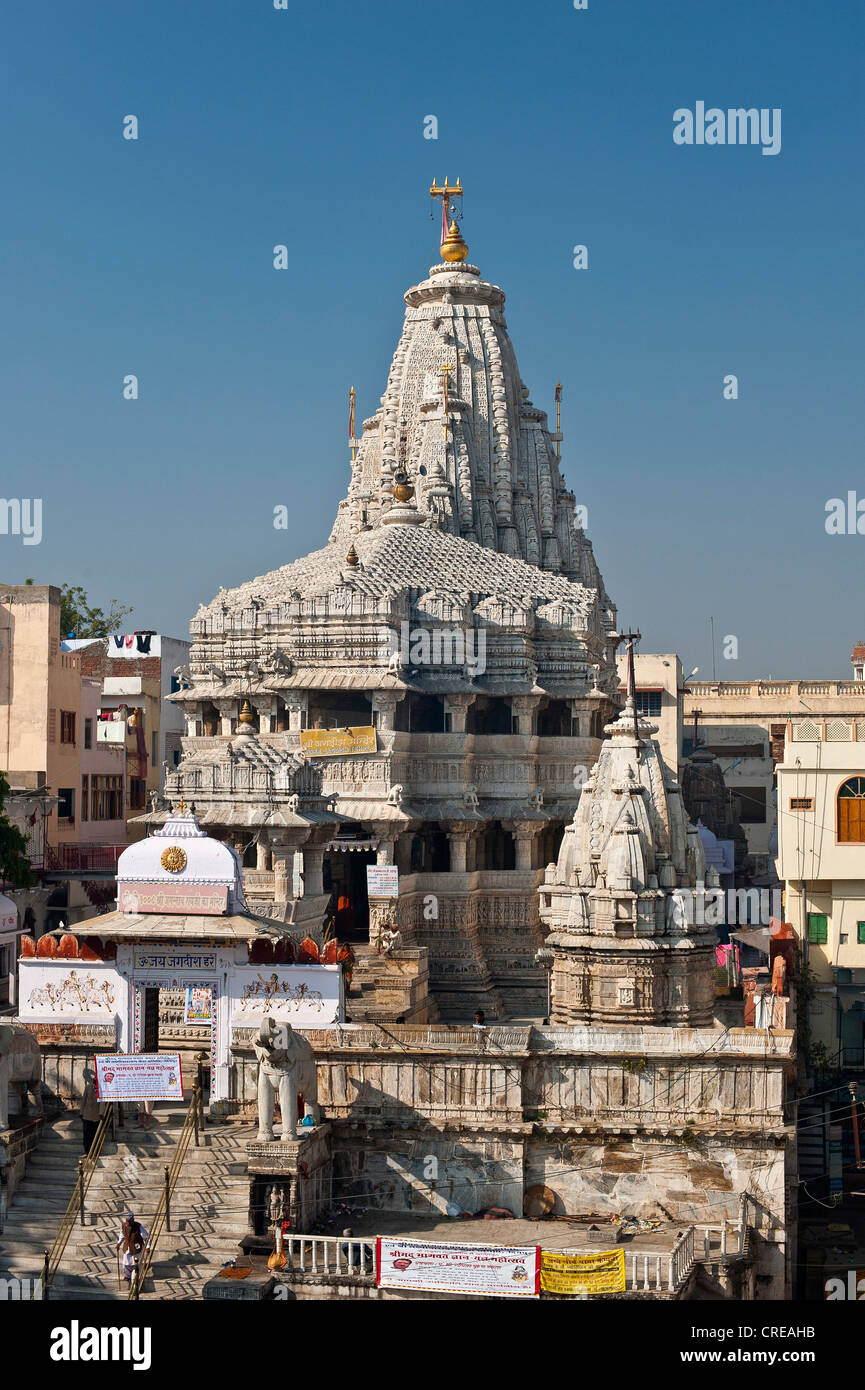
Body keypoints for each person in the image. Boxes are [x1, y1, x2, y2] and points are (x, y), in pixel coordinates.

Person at [116, 1211, 149, 1284]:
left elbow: (146, 1237)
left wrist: (148, 1247)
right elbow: (122, 1235)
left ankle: (136, 1278)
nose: (128, 1223)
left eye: (129, 1221)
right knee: (126, 1265)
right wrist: (118, 1243)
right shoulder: (123, 1226)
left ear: (133, 1220)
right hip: (127, 1248)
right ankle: (128, 1276)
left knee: (136, 1265)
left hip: (136, 1249)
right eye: (127, 1221)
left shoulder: (138, 1226)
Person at [80, 1068, 102, 1154]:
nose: (94, 1082)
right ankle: (87, 1152)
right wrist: (81, 1112)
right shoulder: (88, 1088)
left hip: (97, 1116)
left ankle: (95, 1151)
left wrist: (101, 1114)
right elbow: (83, 1101)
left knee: (95, 1135)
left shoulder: (102, 1090)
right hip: (87, 1115)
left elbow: (103, 1103)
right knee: (86, 1135)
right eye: (94, 1080)